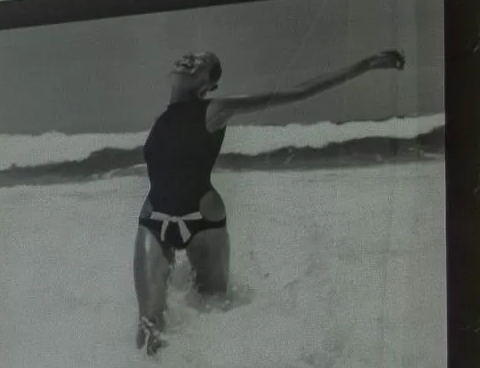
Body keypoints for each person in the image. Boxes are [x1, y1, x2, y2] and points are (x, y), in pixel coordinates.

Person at [134, 41, 407, 352]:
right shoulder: (160, 118)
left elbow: (298, 92)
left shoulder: (216, 110)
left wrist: (365, 64)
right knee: (148, 321)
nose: (191, 60)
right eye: (191, 56)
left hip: (202, 224)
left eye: (203, 62)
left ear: (207, 85)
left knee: (214, 314)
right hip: (153, 220)